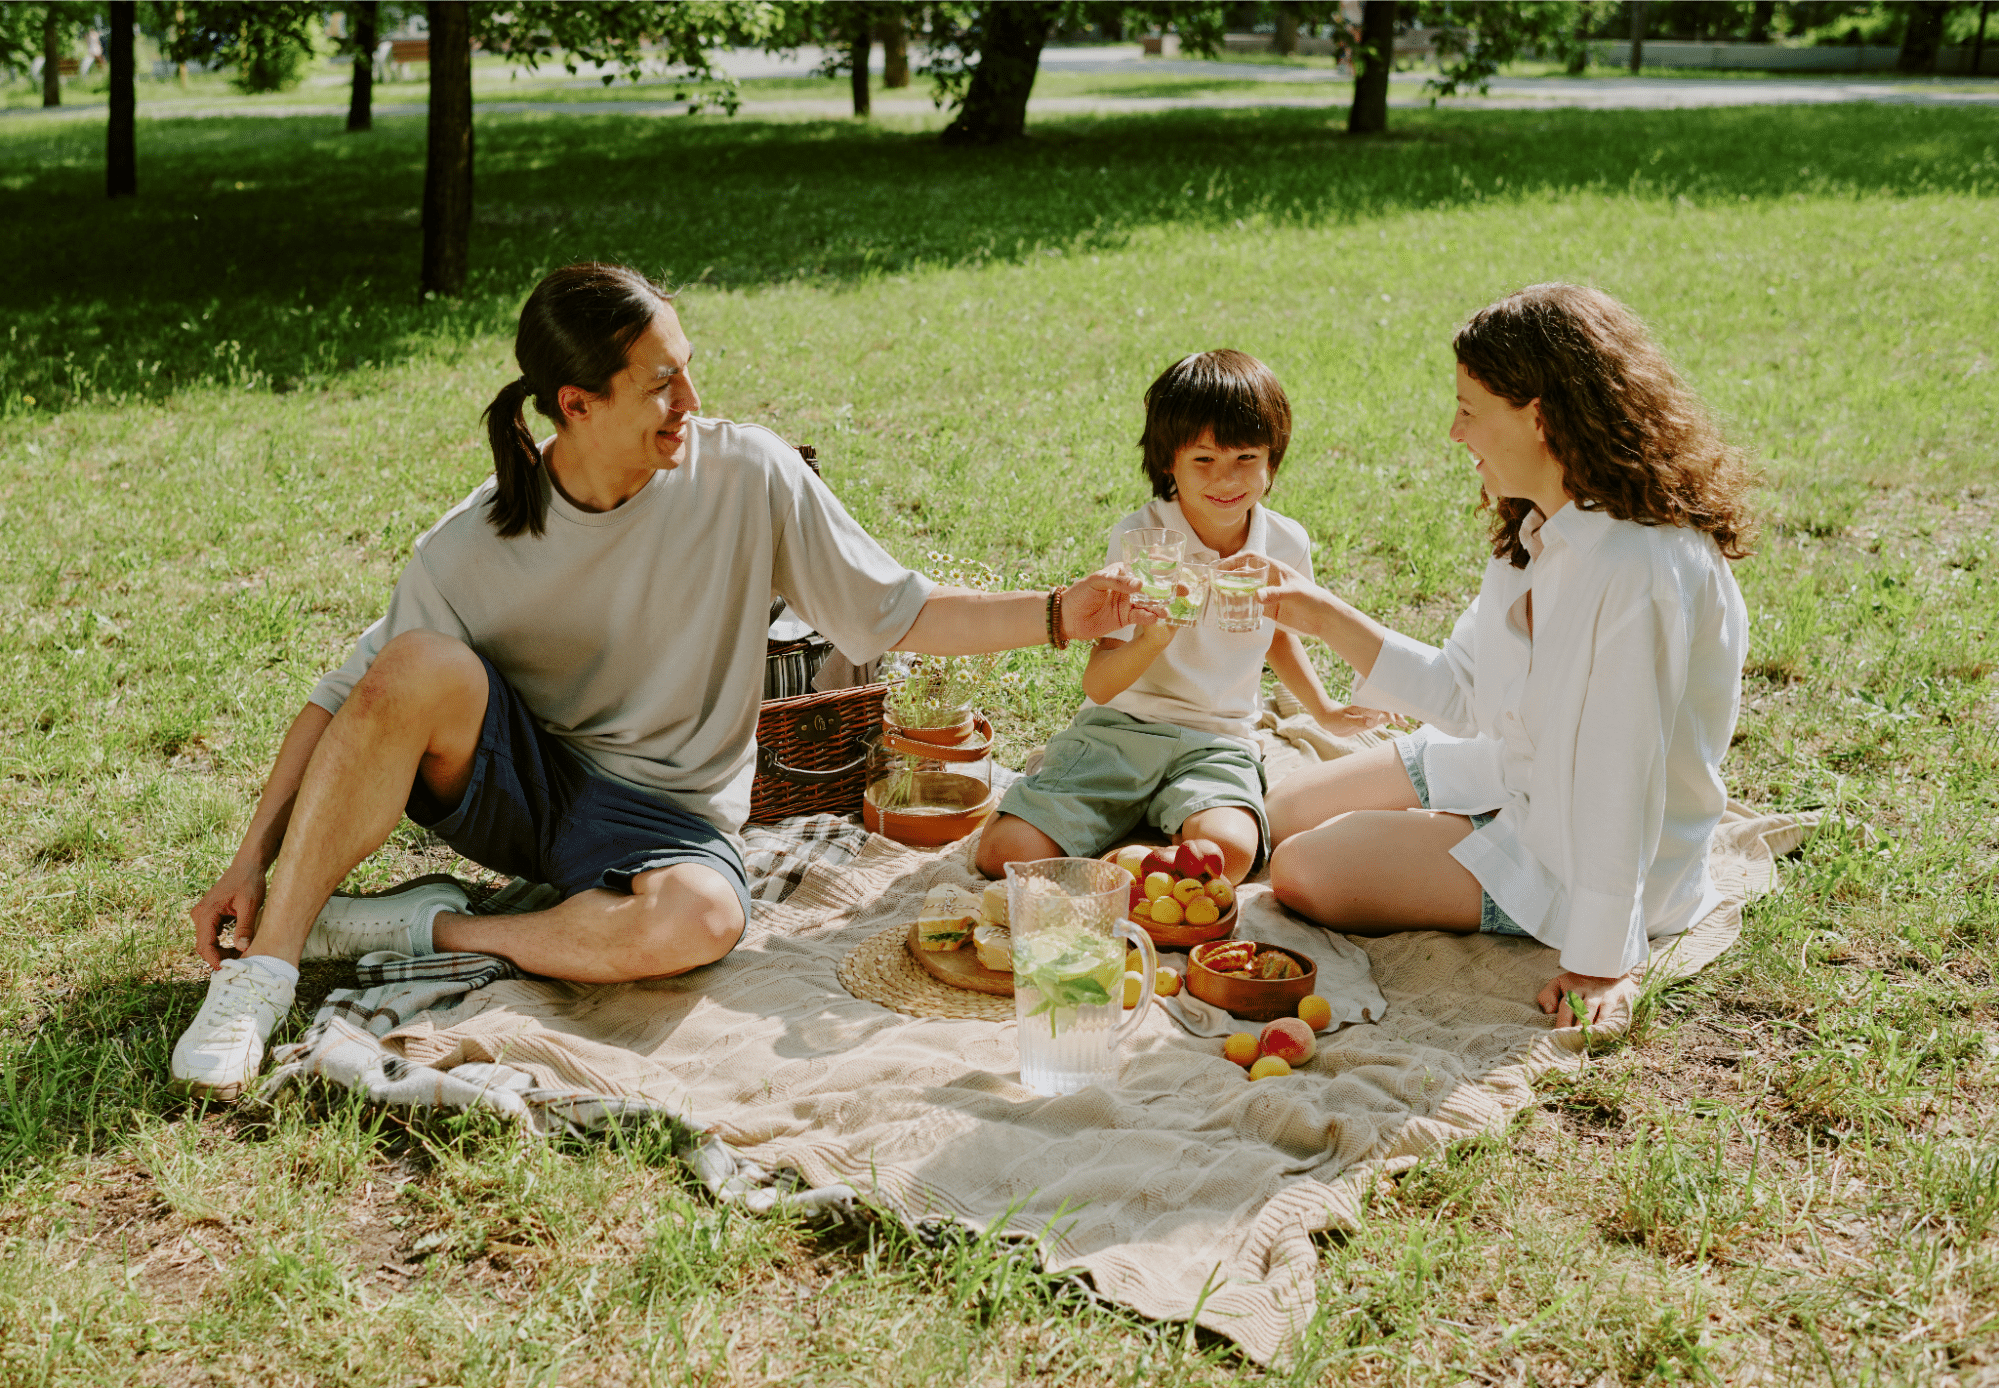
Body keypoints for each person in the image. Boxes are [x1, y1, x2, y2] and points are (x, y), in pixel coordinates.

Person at [175, 262, 1157, 1099]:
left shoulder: (750, 478)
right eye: (660, 386)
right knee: (412, 665)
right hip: (519, 783)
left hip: (668, 814)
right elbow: (345, 703)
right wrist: (245, 867)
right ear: (577, 405)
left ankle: (439, 926)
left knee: (703, 920)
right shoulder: (473, 545)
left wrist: (1061, 612)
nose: (691, 405)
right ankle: (265, 975)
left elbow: (895, 610)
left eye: (688, 373)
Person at [1254, 284, 1754, 1027]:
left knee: (1301, 870)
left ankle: (1501, 865)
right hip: (1515, 768)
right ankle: (1463, 821)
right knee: (1284, 811)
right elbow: (1462, 693)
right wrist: (1322, 616)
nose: (1455, 432)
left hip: (1576, 849)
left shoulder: (1639, 568)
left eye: (1467, 407)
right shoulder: (1541, 529)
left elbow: (1622, 774)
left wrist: (1596, 960)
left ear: (1540, 415)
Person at [976, 350, 1388, 885]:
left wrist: (1326, 711)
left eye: (1246, 458)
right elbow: (1099, 685)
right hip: (1118, 732)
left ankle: (1135, 851)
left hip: (1217, 741)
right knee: (1003, 851)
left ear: (1273, 460)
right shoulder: (1142, 541)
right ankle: (1133, 850)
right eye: (1204, 460)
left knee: (1230, 856)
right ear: (1169, 460)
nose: (1226, 479)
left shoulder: (1285, 543)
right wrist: (1154, 637)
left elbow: (1280, 639)